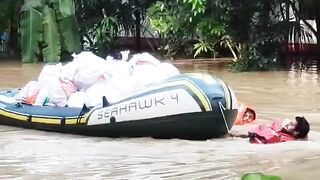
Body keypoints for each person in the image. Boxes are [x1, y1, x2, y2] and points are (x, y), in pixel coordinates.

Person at [230, 116, 310, 144]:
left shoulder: (285, 140)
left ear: (296, 132)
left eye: (292, 125)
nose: (288, 124)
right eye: (290, 122)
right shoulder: (283, 132)